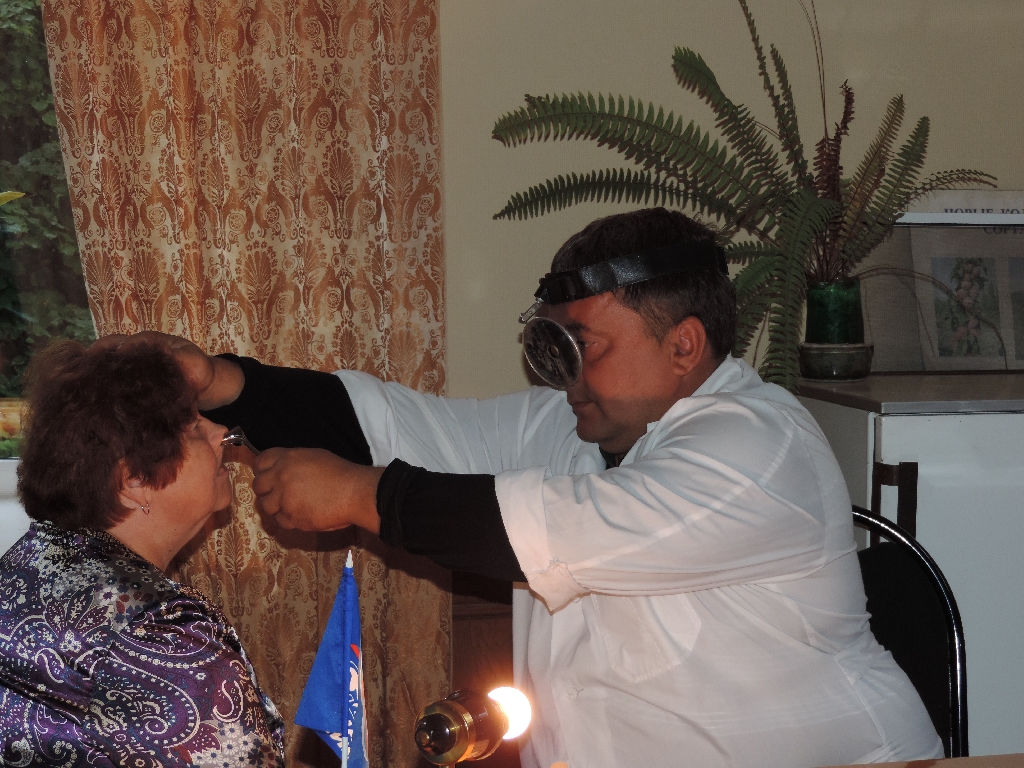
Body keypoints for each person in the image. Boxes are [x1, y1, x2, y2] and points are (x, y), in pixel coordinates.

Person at [111, 208, 942, 767]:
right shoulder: (568, 428)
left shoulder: (757, 444)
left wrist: (362, 496)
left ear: (684, 347)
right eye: (556, 345)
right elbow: (389, 425)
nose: (565, 375)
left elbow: (548, 527)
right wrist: (224, 383)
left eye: (587, 345)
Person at [0, 341, 285, 767]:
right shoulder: (162, 634)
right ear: (133, 482)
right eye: (192, 428)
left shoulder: (30, 560)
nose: (220, 433)